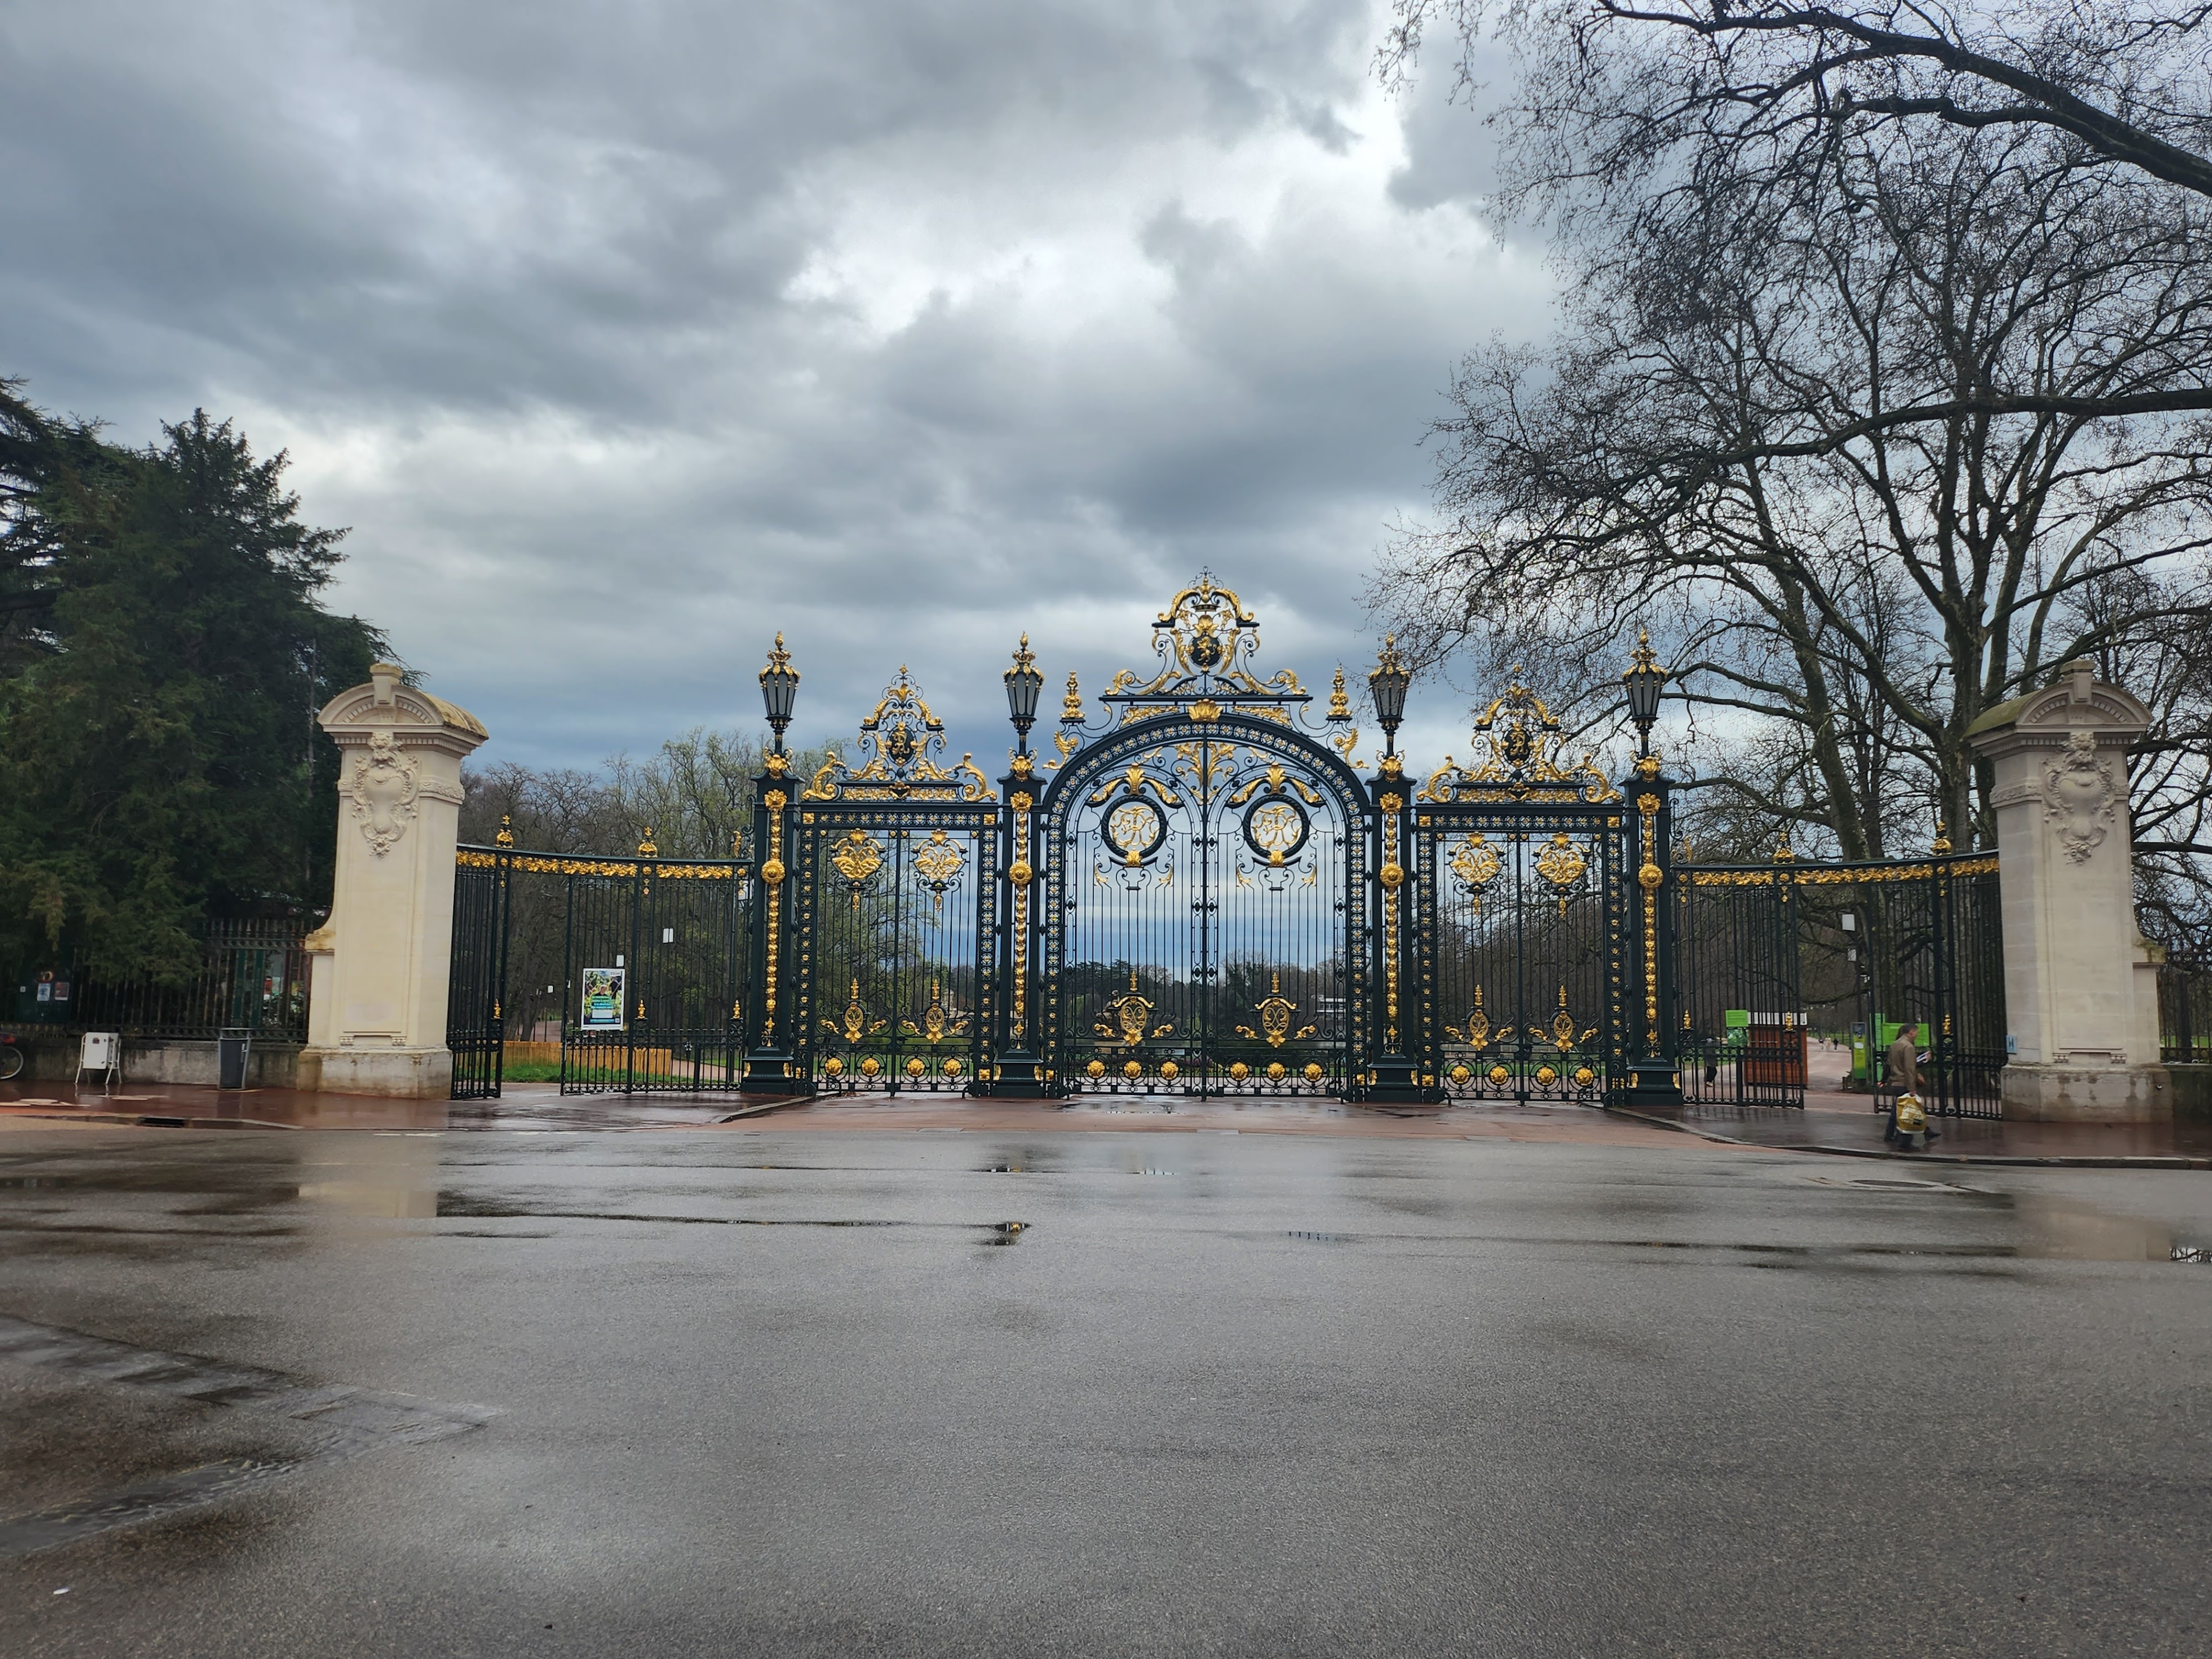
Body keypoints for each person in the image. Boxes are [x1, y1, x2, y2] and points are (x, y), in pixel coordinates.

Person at [1884, 1022, 1938, 1142]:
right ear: (1911, 1032)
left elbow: (1889, 1064)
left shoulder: (1895, 1045)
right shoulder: (1908, 1047)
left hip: (1896, 1081)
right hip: (1904, 1082)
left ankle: (1890, 1134)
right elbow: (1910, 1069)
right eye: (1916, 1032)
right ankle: (1905, 1141)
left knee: (1898, 1110)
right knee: (1910, 1110)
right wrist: (1912, 1087)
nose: (1917, 1035)